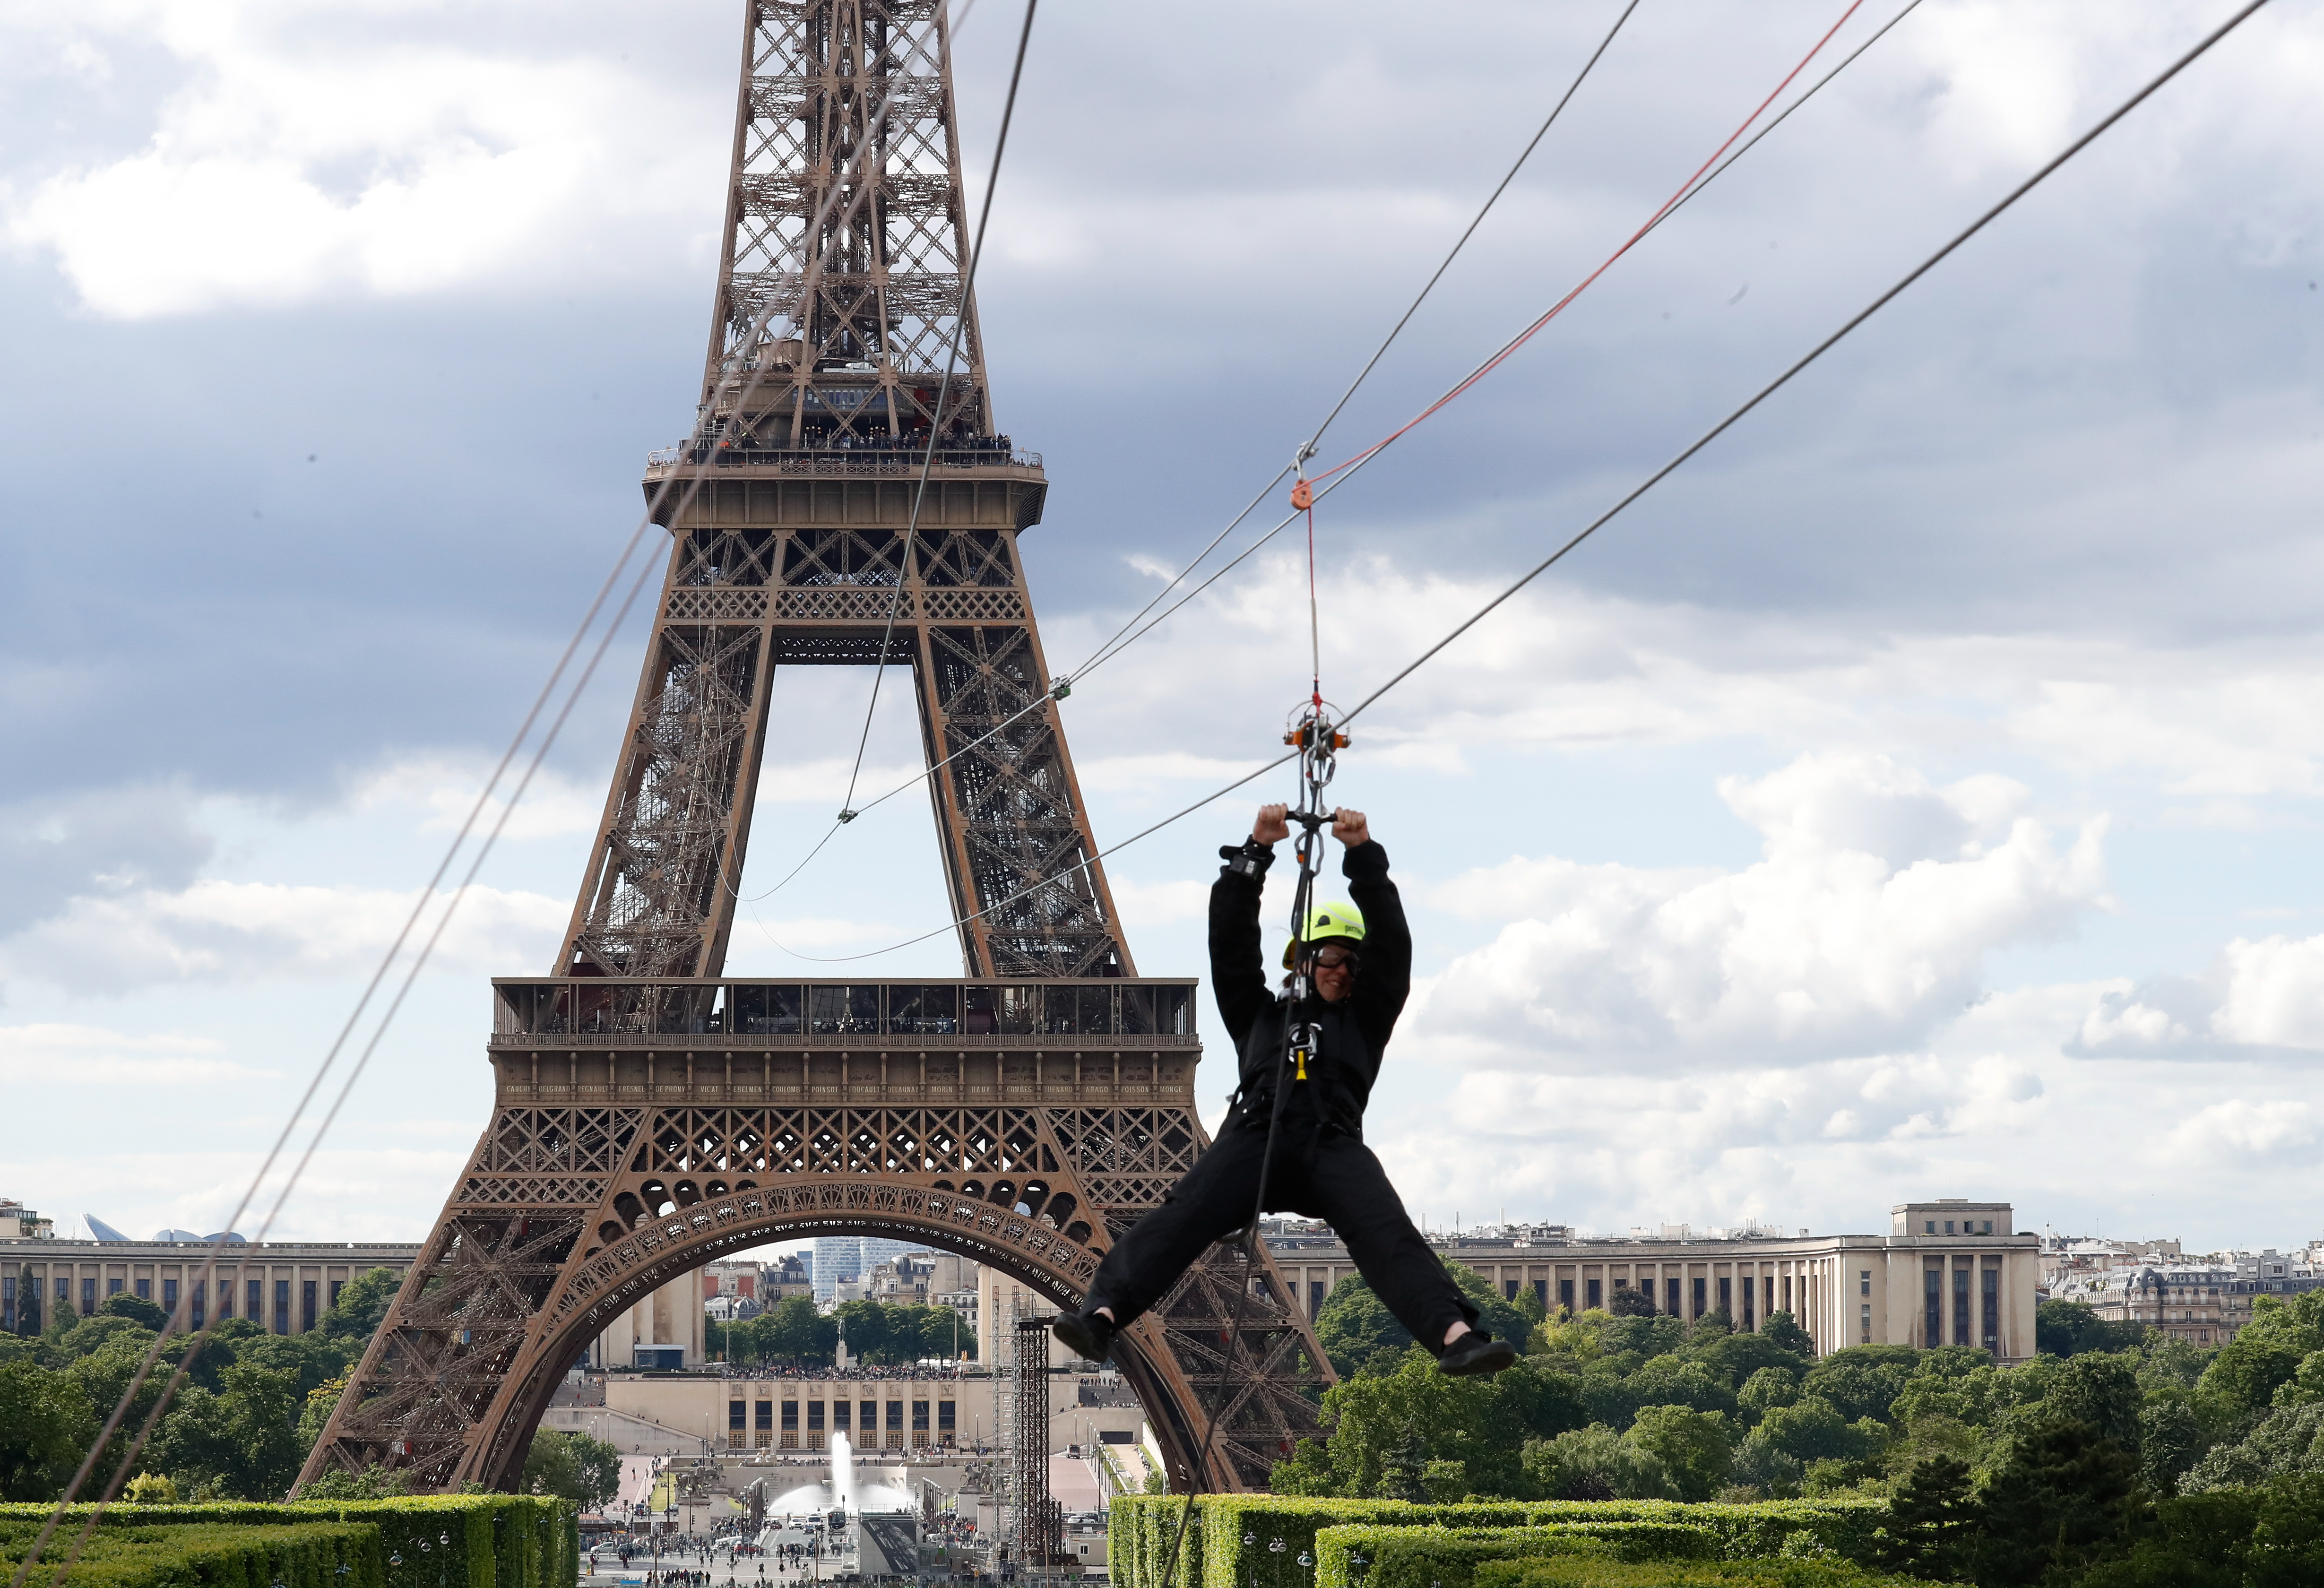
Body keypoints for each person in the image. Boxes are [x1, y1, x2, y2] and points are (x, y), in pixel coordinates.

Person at [1052, 803, 1516, 1376]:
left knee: (1387, 1234)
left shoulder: (1367, 1019)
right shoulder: (1258, 1015)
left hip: (1330, 1142)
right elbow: (1231, 944)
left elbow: (1394, 946)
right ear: (1304, 958)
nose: (1342, 971)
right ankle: (1101, 1314)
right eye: (1331, 957)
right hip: (1257, 1135)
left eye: (1353, 964)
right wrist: (1254, 854)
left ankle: (1456, 1336)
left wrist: (1363, 855)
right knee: (1182, 1215)